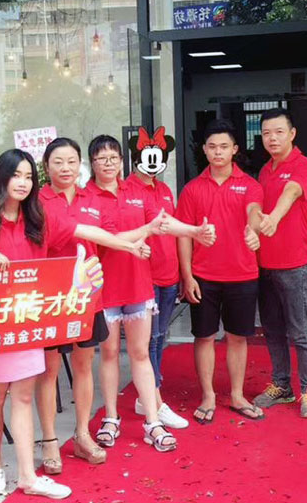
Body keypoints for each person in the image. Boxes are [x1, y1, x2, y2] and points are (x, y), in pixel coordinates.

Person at [0, 149, 149, 498]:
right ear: (1, 178)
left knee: (23, 397)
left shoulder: (38, 219)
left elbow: (87, 231)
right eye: (16, 175)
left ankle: (27, 476)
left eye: (28, 177)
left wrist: (128, 246)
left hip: (29, 322)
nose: (22, 183)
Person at [35, 137, 160, 474]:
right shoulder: (39, 201)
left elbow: (110, 234)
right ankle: (49, 441)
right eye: (58, 162)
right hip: (51, 298)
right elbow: (79, 233)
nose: (65, 168)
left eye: (71, 162)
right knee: (48, 370)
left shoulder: (90, 197)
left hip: (88, 296)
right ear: (46, 166)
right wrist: (133, 242)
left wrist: (135, 242)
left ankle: (82, 435)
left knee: (83, 364)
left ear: (80, 165)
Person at [86, 135, 213, 452]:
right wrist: (140, 235)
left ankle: (152, 421)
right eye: (101, 158)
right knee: (110, 353)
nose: (108, 163)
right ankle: (111, 418)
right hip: (105, 288)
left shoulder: (136, 192)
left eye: (113, 157)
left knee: (141, 353)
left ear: (121, 161)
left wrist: (194, 231)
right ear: (92, 163)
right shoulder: (86, 197)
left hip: (138, 285)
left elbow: (162, 223)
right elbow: (103, 238)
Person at [176, 119, 265, 424]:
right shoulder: (192, 189)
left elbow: (254, 210)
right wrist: (187, 276)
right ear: (204, 149)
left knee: (237, 337)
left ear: (235, 149)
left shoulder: (250, 185)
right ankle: (208, 396)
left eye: (224, 146)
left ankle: (237, 395)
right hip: (203, 276)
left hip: (242, 274)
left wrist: (253, 228)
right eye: (212, 146)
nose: (218, 152)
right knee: (204, 337)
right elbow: (183, 235)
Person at [253, 108, 307, 418]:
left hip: (295, 265)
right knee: (272, 330)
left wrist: (274, 218)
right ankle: (282, 385)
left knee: (300, 331)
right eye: (266, 133)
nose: (272, 138)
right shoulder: (265, 170)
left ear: (292, 134)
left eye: (279, 132)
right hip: (265, 265)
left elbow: (291, 192)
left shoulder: (304, 166)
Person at [125, 127, 189, 429]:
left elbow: (173, 230)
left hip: (168, 274)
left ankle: (146, 396)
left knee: (160, 337)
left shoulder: (164, 189)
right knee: (148, 341)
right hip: (143, 276)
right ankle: (155, 401)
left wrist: (182, 273)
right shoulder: (127, 191)